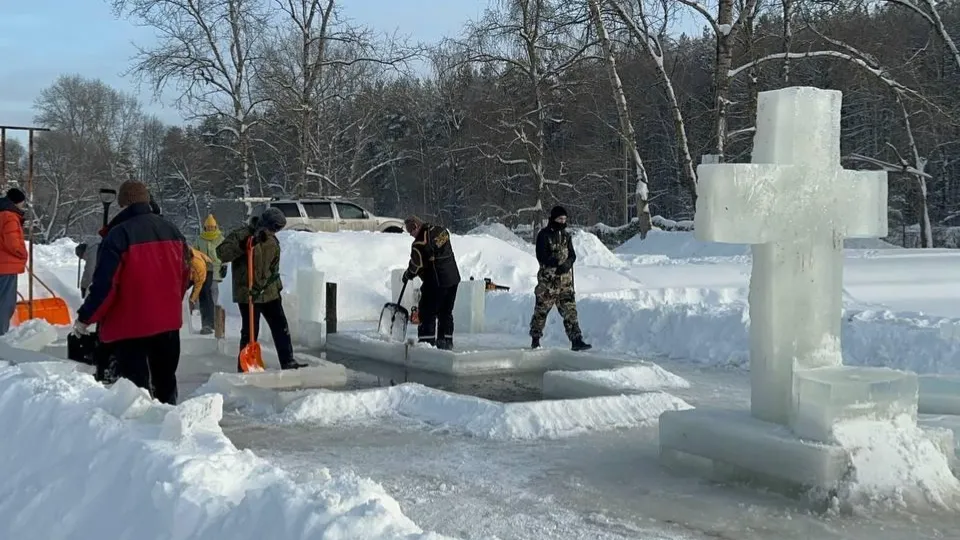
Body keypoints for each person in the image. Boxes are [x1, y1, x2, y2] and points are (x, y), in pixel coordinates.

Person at [73, 181, 191, 404]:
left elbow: (105, 286)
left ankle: (138, 435)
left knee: (135, 393)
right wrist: (169, 301)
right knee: (165, 382)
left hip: (131, 326)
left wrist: (85, 318)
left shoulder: (119, 235)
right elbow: (185, 274)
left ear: (123, 203)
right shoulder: (172, 230)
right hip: (167, 324)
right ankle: (170, 431)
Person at [216, 208, 304, 371]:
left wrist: (274, 285)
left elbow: (273, 266)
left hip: (269, 292)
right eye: (274, 227)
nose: (275, 231)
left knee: (280, 326)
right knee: (250, 331)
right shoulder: (242, 234)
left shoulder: (273, 241)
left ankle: (288, 360)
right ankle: (245, 366)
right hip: (249, 293)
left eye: (278, 229)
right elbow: (222, 253)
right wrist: (247, 244)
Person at [529, 205, 591, 351]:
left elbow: (572, 255)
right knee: (541, 312)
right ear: (554, 218)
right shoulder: (543, 235)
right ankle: (535, 339)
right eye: (560, 219)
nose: (563, 221)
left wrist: (567, 264)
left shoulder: (566, 236)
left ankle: (576, 340)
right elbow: (542, 256)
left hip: (565, 284)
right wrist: (556, 263)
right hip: (548, 284)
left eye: (564, 219)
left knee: (570, 311)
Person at [401, 216, 461, 350]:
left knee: (427, 311)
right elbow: (438, 245)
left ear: (416, 226)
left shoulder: (419, 243)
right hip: (453, 279)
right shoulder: (441, 231)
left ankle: (426, 344)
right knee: (446, 312)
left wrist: (408, 274)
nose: (411, 234)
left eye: (411, 231)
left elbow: (416, 265)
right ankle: (445, 342)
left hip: (436, 281)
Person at [0, 188, 28, 336]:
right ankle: (1, 335)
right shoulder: (9, 216)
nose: (23, 206)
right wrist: (23, 254)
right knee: (6, 303)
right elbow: (13, 243)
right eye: (22, 203)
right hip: (6, 267)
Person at [194, 214, 225, 334]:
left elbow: (225, 254)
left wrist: (224, 265)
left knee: (215, 297)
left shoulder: (220, 239)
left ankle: (216, 323)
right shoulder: (200, 239)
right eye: (208, 227)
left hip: (217, 272)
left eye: (212, 227)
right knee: (204, 296)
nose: (210, 229)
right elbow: (195, 253)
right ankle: (206, 323)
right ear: (205, 227)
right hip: (203, 271)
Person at [188, 247, 212, 316]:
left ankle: (208, 322)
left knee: (204, 292)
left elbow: (198, 284)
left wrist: (192, 300)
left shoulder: (198, 264)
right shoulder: (179, 256)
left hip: (206, 267)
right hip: (191, 270)